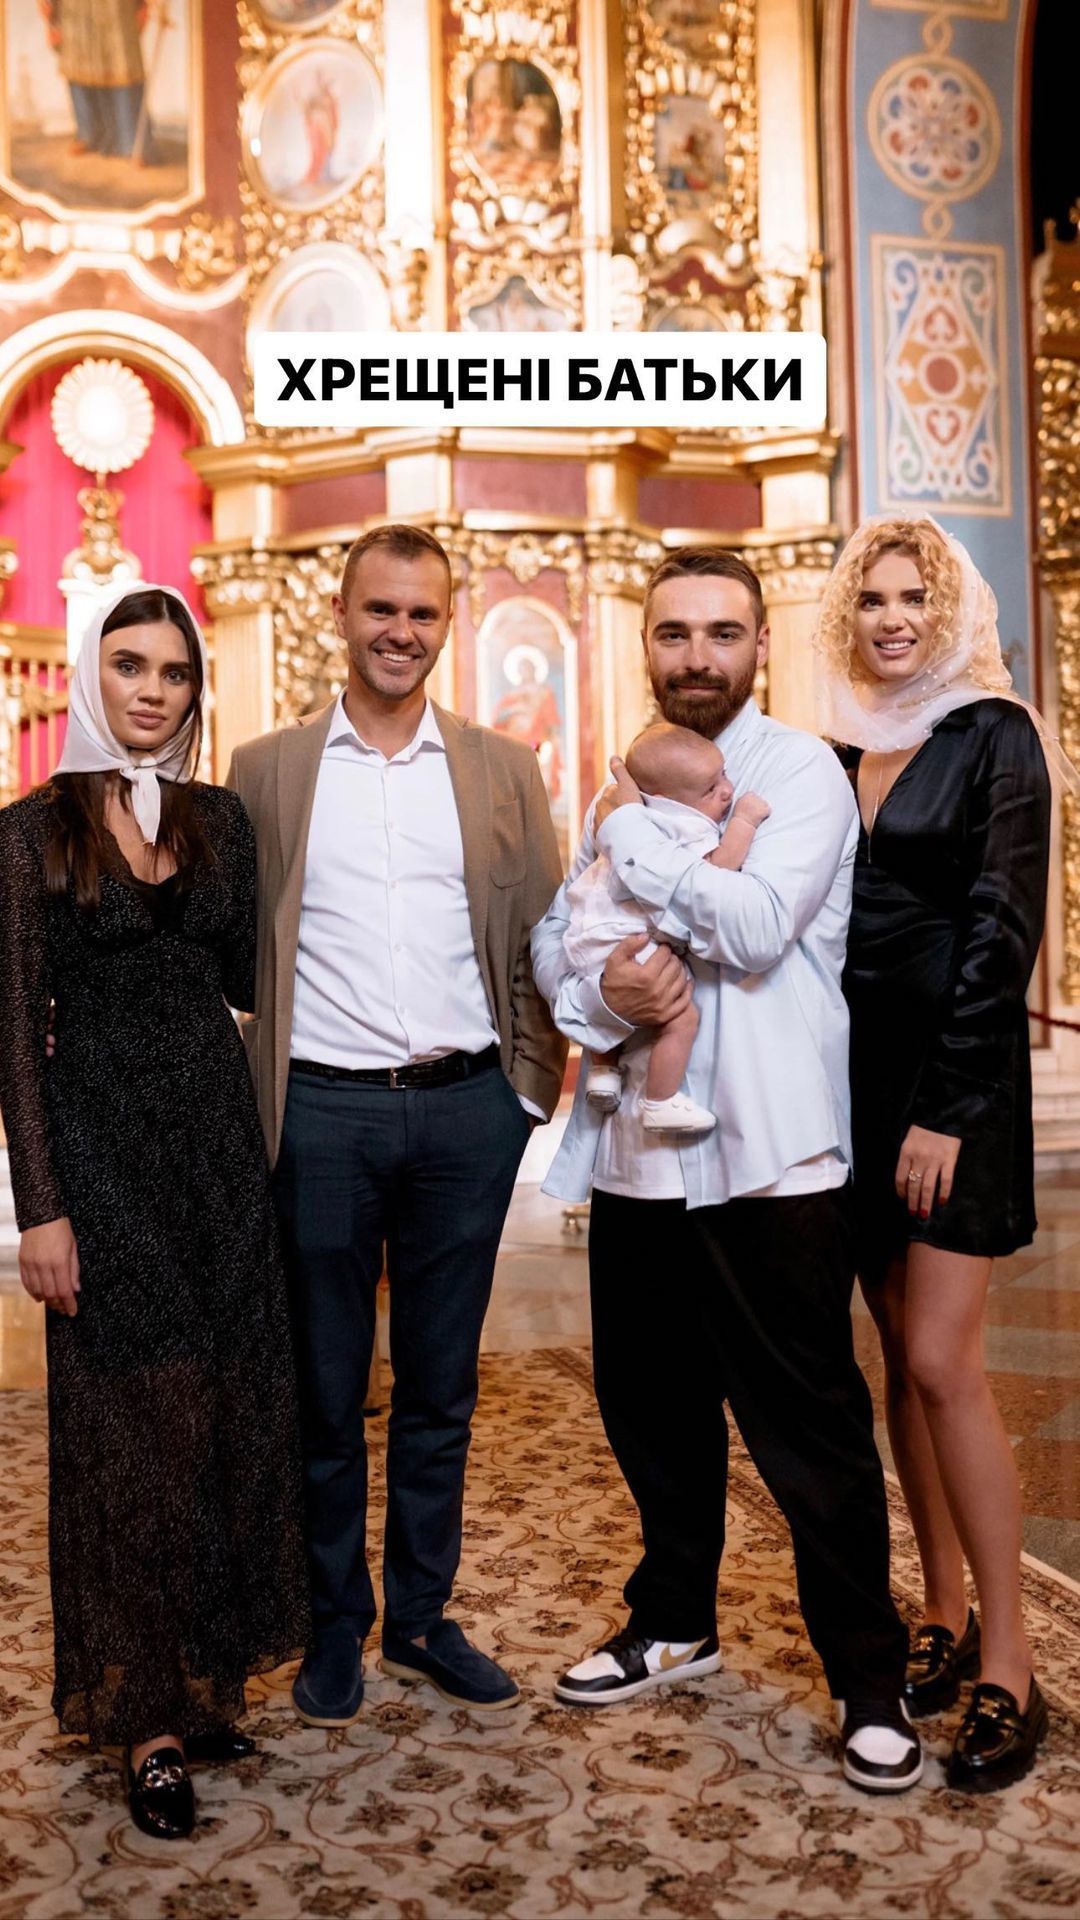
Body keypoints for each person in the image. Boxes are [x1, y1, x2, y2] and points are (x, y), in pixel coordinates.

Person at [532, 546, 921, 1795]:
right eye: (674, 633)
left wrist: (637, 855)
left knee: (810, 1426)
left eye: (721, 632)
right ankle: (674, 1624)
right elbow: (558, 937)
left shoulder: (796, 772)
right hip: (643, 1157)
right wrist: (604, 989)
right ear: (645, 644)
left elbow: (753, 932)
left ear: (761, 644)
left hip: (771, 1152)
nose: (696, 656)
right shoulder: (629, 775)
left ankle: (869, 1676)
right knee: (649, 1408)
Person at [226, 524, 567, 1726]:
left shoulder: (501, 769)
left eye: (423, 614)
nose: (401, 632)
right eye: (381, 609)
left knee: (440, 1387)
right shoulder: (265, 770)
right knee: (325, 1393)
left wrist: (523, 1096)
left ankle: (421, 1618)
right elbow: (230, 946)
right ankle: (335, 1627)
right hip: (319, 1114)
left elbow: (543, 938)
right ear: (341, 613)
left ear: (447, 624)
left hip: (465, 1114)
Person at [0, 586, 309, 1842]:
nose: (151, 690)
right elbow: (13, 1031)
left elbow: (243, 974)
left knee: (228, 1409)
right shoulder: (31, 830)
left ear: (194, 690)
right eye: (129, 666)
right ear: (94, 675)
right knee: (140, 1426)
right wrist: (40, 1209)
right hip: (101, 1154)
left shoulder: (220, 818)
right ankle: (147, 1721)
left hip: (218, 1153)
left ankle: (199, 1681)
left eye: (174, 672)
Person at [816, 513, 1056, 1791]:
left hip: (953, 1090)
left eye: (915, 598)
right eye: (873, 599)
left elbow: (1002, 928)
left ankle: (1013, 1661)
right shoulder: (835, 744)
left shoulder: (996, 735)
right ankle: (943, 1611)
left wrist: (946, 1108)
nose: (894, 619)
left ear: (951, 610)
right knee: (897, 1368)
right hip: (850, 1092)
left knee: (940, 1362)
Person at [565, 719, 769, 1133]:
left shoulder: (626, 809)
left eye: (724, 775)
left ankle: (604, 1071)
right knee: (682, 1018)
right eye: (711, 789)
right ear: (667, 800)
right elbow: (718, 869)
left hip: (588, 935)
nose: (727, 790)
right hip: (629, 937)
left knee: (611, 998)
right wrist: (745, 821)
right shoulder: (681, 824)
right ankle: (659, 1101)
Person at [40, 1, 152, 162]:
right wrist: (49, 16)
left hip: (117, 8)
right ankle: (88, 135)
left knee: (122, 63)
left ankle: (133, 143)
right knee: (77, 61)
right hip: (75, 10)